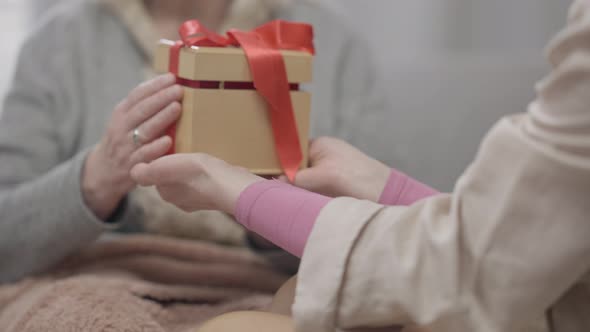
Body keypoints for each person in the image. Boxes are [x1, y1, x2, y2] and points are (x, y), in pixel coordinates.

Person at [131, 0, 590, 330]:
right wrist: (384, 185)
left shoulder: (329, 36)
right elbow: (524, 235)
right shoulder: (70, 35)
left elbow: (485, 263)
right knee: (293, 296)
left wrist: (242, 192)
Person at [0, 0, 387, 283]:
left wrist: (265, 207)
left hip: (278, 288)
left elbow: (386, 246)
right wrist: (98, 178)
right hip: (102, 279)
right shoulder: (58, 42)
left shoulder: (331, 44)